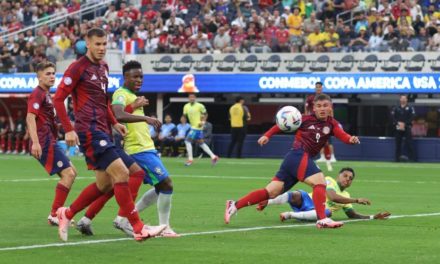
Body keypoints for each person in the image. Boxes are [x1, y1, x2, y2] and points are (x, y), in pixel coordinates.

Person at [53, 28, 166, 242]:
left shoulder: (104, 67)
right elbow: (58, 99)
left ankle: (66, 214)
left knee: (117, 179)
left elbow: (103, 102)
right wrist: (68, 128)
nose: (102, 48)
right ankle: (138, 227)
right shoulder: (77, 68)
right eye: (97, 44)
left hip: (104, 130)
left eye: (104, 44)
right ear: (87, 43)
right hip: (89, 131)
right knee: (122, 174)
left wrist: (114, 123)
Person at [224, 94, 360, 229]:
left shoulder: (332, 124)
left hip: (294, 160)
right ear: (314, 108)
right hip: (298, 155)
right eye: (319, 106)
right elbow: (281, 125)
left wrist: (351, 139)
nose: (322, 109)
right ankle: (322, 219)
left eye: (325, 105)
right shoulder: (304, 119)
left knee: (271, 192)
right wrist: (267, 135)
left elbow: (343, 136)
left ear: (331, 107)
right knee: (320, 182)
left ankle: (234, 205)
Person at [26, 62, 78, 226]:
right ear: (39, 76)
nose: (52, 76)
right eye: (47, 73)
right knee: (69, 174)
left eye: (53, 73)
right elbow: (30, 117)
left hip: (49, 139)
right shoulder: (38, 94)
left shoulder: (47, 95)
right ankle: (55, 214)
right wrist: (35, 142)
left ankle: (57, 213)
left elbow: (45, 119)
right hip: (44, 142)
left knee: (71, 173)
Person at [256, 167, 391, 221]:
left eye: (350, 179)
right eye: (345, 176)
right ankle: (268, 201)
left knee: (327, 213)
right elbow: (332, 196)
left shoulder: (347, 195)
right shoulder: (329, 180)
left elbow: (352, 215)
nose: (347, 179)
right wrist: (356, 200)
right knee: (297, 194)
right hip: (306, 200)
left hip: (316, 211)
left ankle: (290, 215)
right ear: (339, 175)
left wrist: (373, 217)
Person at [305, 82, 336, 171]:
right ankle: (318, 159)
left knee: (327, 141)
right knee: (313, 142)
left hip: (324, 122)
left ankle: (329, 160)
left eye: (319, 87)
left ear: (322, 88)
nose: (318, 88)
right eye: (316, 87)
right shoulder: (311, 98)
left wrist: (331, 121)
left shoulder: (326, 98)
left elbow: (330, 110)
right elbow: (307, 109)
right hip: (314, 124)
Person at [183, 93, 218, 166]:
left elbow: (205, 114)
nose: (191, 98)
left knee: (187, 141)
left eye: (193, 97)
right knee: (201, 143)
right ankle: (213, 157)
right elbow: (185, 115)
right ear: (188, 98)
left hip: (197, 127)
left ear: (195, 98)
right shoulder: (186, 106)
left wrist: (202, 122)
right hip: (193, 127)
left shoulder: (200, 106)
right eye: (190, 97)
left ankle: (190, 159)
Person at [391, 94, 415, 162]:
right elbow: (393, 117)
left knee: (409, 143)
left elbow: (412, 117)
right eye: (402, 98)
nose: (403, 100)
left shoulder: (410, 108)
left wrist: (405, 123)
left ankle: (411, 159)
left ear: (407, 100)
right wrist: (398, 123)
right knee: (398, 144)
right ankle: (397, 159)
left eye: (405, 98)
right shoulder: (396, 108)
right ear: (400, 99)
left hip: (407, 127)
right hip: (398, 127)